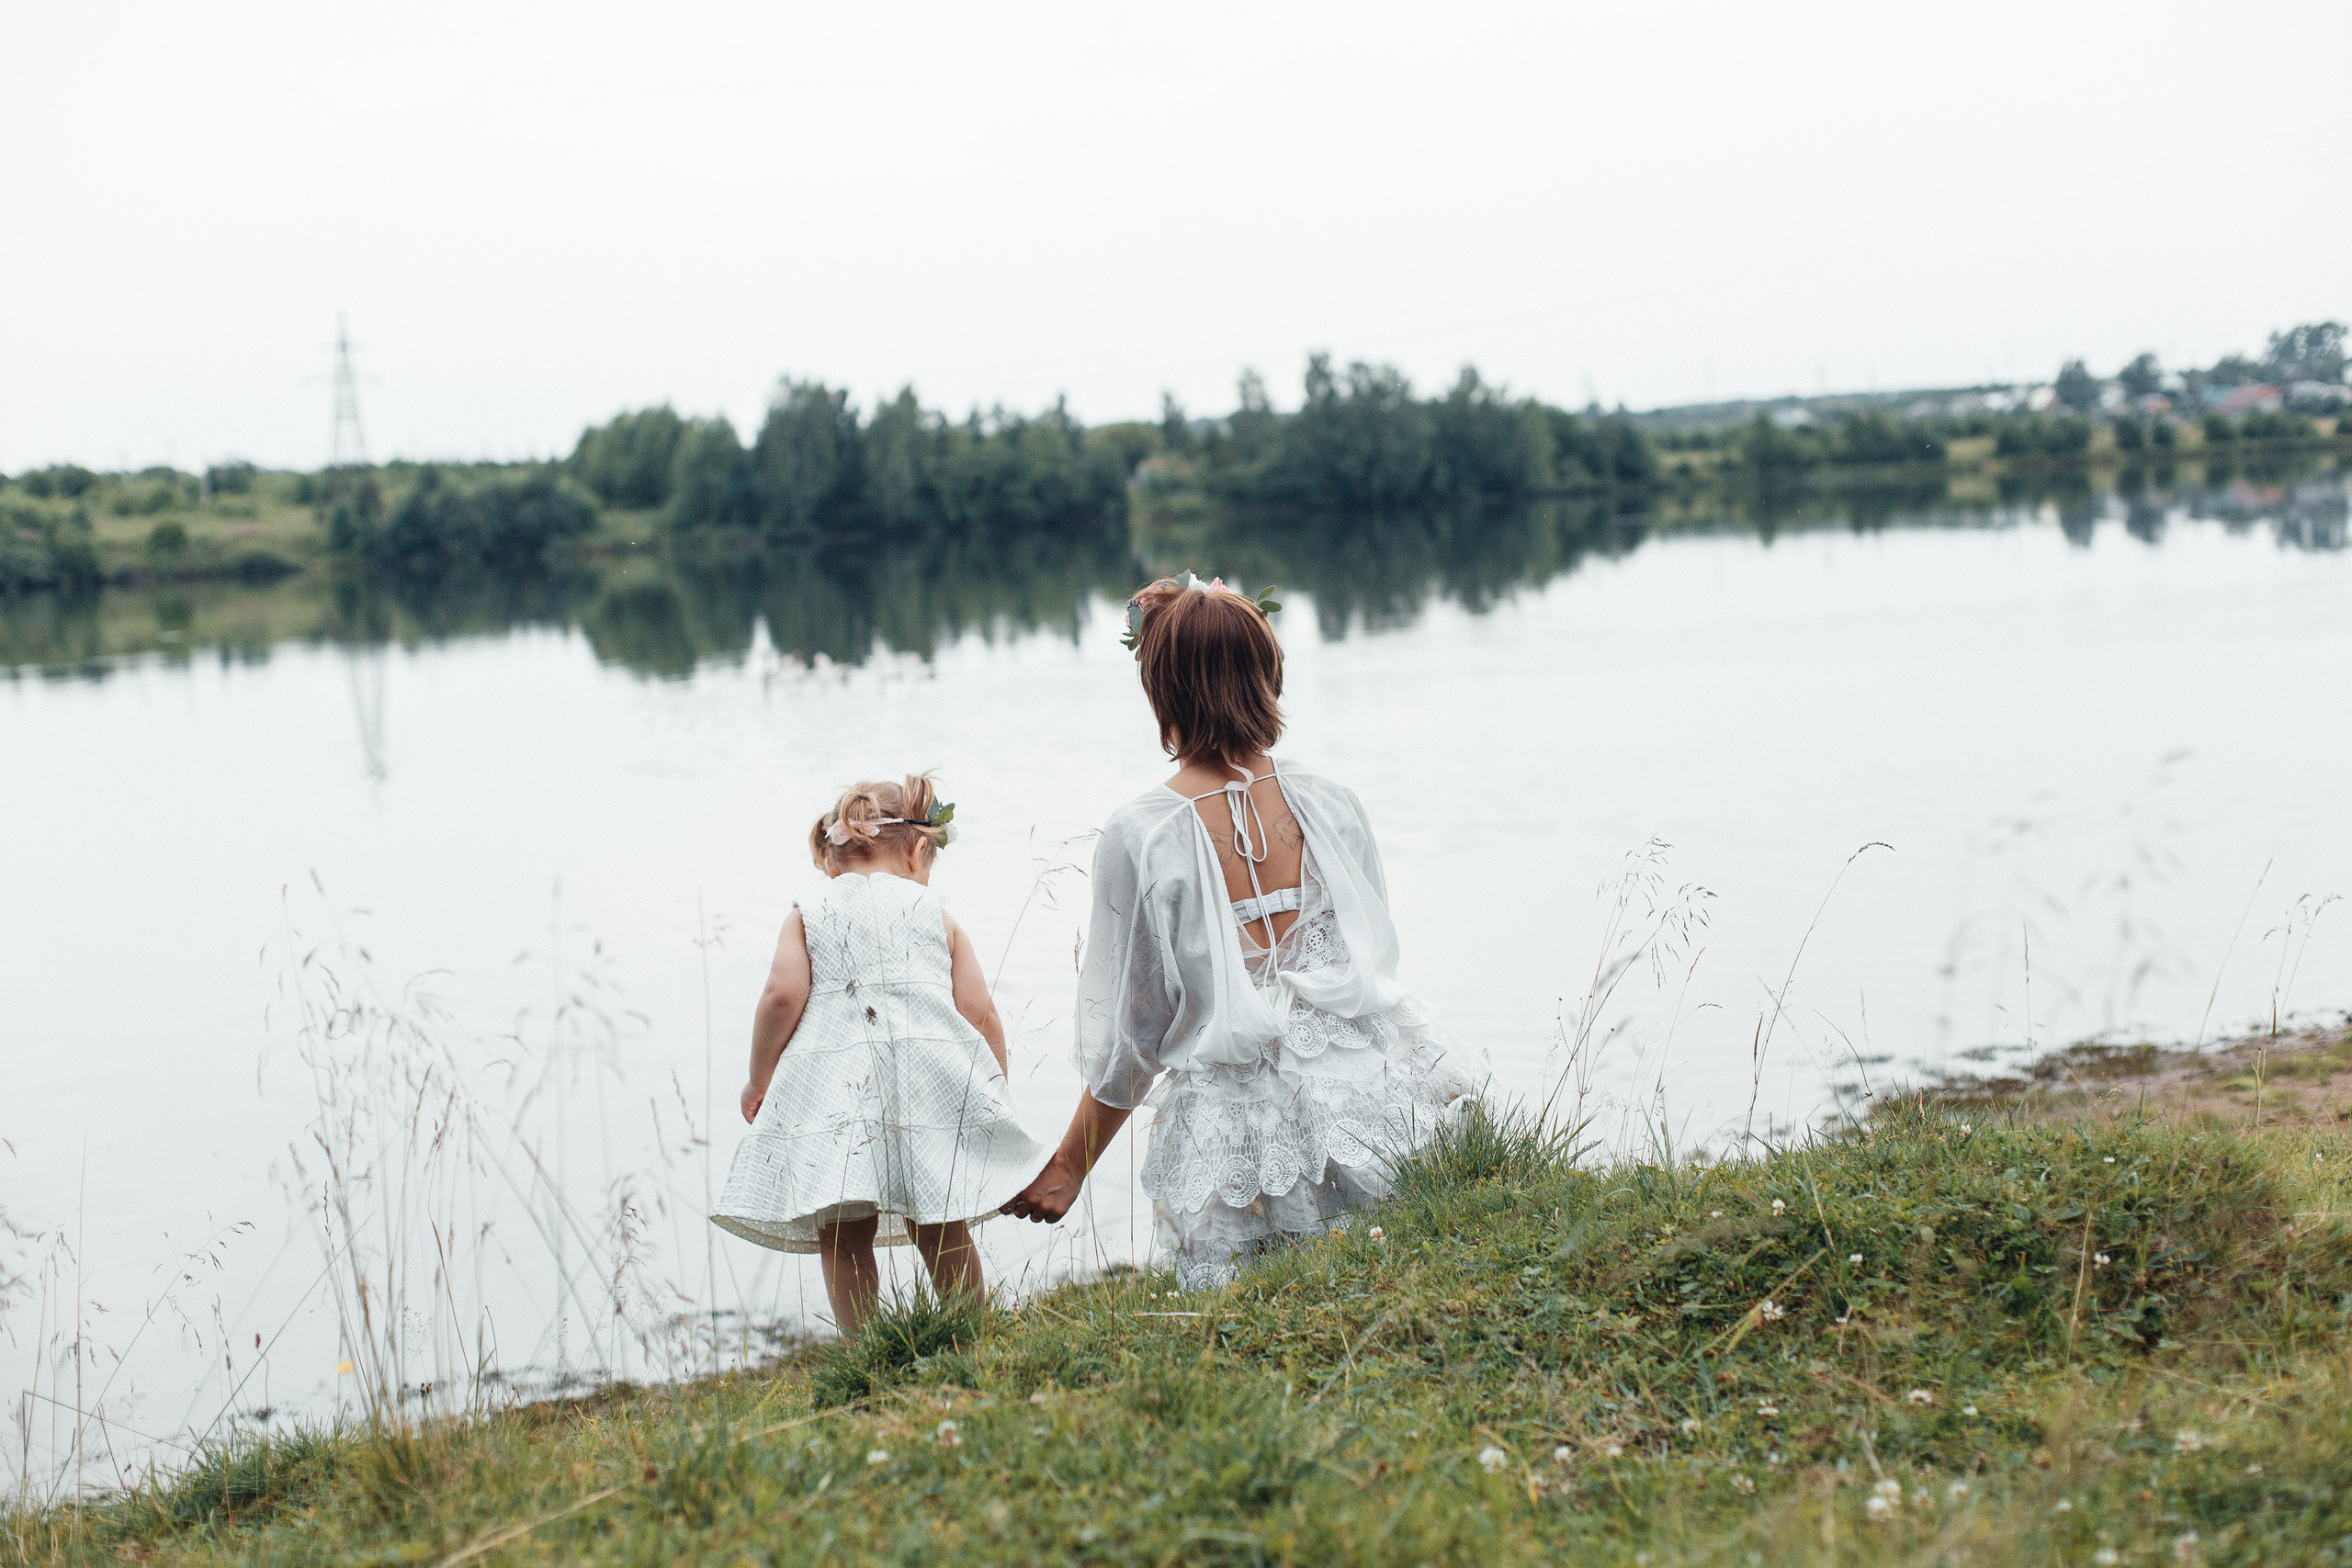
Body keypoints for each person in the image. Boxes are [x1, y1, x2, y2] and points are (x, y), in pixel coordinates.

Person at [1002, 575, 1481, 1289]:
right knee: (1394, 1283)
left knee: (1257, 1311)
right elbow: (1372, 956)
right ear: (1267, 672)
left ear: (1160, 689)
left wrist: (1070, 1166)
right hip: (1371, 1097)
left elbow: (1136, 1034)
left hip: (1241, 1136)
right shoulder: (1331, 800)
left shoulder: (1142, 833)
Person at [710, 774, 1047, 1332]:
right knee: (939, 1220)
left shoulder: (808, 911)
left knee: (842, 1234)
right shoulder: (934, 913)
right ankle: (973, 1329)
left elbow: (781, 995)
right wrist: (994, 1091)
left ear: (833, 855)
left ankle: (866, 1346)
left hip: (837, 1094)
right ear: (917, 850)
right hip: (929, 1087)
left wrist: (758, 1077)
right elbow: (981, 1012)